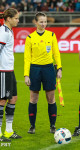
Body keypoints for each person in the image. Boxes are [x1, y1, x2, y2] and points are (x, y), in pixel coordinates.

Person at [24, 12, 62, 134]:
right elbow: (27, 58)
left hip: (49, 69)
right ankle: (32, 126)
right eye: (41, 21)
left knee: (51, 98)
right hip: (35, 69)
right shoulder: (30, 38)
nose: (44, 24)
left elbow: (56, 53)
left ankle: (52, 125)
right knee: (33, 99)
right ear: (35, 22)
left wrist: (59, 68)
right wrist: (26, 75)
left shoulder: (51, 35)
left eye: (45, 21)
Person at [0, 8, 22, 142]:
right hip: (3, 71)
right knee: (2, 100)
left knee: (13, 98)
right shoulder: (3, 32)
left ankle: (8, 131)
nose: (18, 20)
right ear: (8, 19)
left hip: (9, 70)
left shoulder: (9, 30)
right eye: (16, 18)